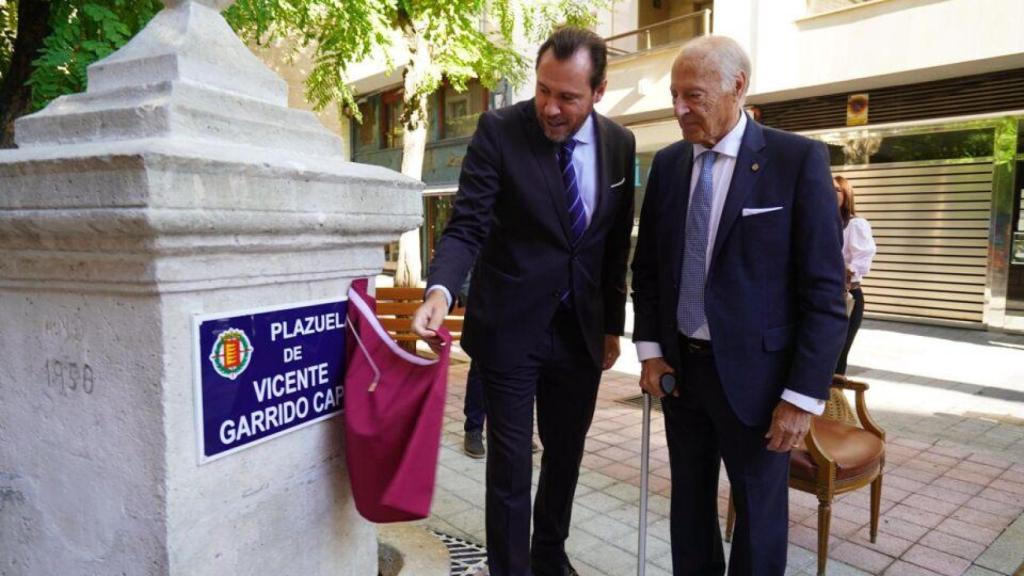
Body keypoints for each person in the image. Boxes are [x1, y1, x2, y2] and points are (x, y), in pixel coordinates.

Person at [412, 27, 635, 576]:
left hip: (579, 331)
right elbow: (467, 225)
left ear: (599, 91)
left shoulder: (620, 144)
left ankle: (549, 556)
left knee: (565, 456)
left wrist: (611, 327)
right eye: (542, 90)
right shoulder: (500, 131)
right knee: (510, 467)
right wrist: (441, 289)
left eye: (568, 97)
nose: (550, 108)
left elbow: (610, 247)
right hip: (511, 327)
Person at [630, 36, 848, 576]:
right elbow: (650, 269)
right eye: (675, 95)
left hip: (761, 385)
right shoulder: (670, 164)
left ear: (738, 87)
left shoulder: (795, 161)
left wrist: (802, 397)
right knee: (689, 509)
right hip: (682, 374)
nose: (679, 109)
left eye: (694, 96)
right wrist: (652, 352)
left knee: (759, 517)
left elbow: (824, 294)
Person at [834, 175, 876, 375]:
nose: (831, 194)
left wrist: (838, 269)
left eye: (837, 190)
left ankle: (835, 403)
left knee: (837, 354)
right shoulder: (820, 222)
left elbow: (862, 260)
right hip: (819, 295)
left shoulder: (855, 224)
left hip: (846, 295)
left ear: (846, 194)